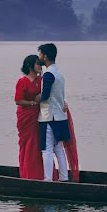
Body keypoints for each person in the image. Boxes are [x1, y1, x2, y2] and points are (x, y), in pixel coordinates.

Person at [35, 43, 71, 182]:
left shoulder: (49, 74)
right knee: (59, 149)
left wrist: (34, 99)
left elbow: (45, 96)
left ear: (45, 56)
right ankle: (64, 178)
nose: (39, 57)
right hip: (61, 117)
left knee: (47, 150)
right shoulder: (59, 73)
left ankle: (48, 180)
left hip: (48, 116)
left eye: (40, 54)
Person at [14, 55, 45, 180]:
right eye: (37, 64)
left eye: (40, 64)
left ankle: (42, 174)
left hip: (39, 115)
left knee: (39, 144)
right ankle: (28, 174)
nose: (40, 66)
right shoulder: (22, 81)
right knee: (28, 144)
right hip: (26, 116)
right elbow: (18, 100)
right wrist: (33, 103)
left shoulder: (41, 80)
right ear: (29, 65)